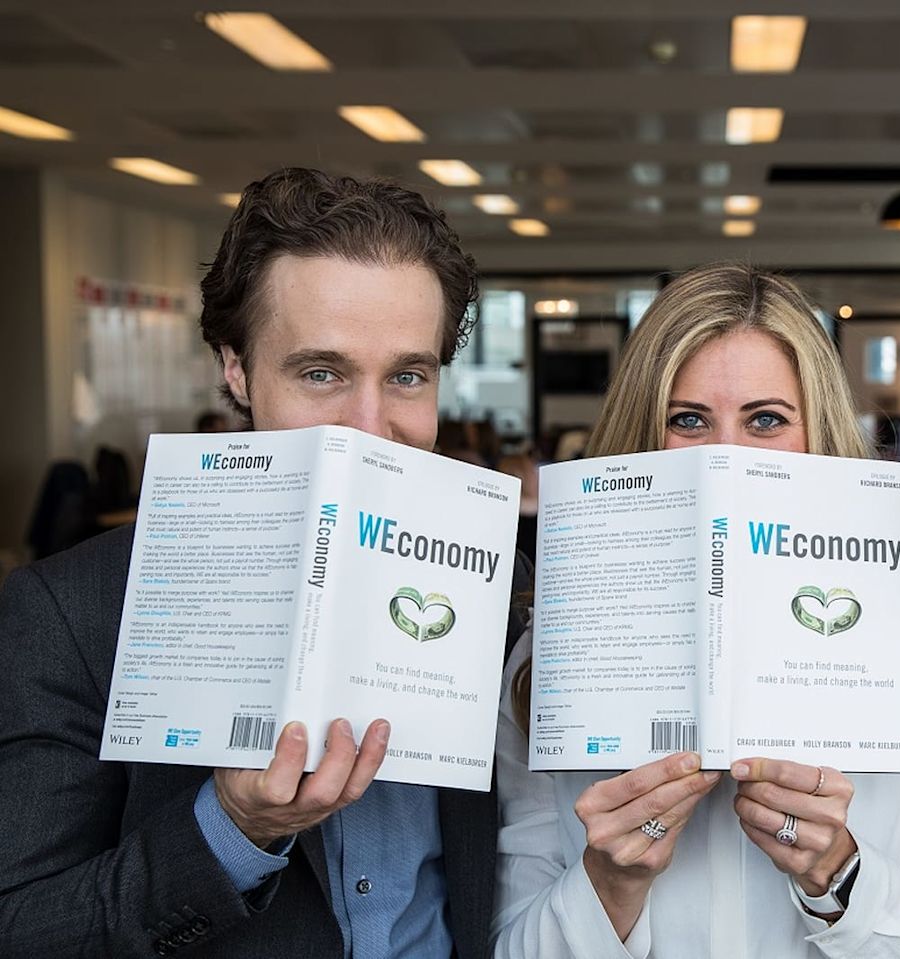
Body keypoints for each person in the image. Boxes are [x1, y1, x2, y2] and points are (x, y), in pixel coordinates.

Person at [0, 168, 533, 958]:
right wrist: (233, 829)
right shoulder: (70, 611)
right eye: (321, 372)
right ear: (237, 368)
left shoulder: (500, 595)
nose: (367, 426)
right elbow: (24, 928)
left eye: (407, 375)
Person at [491, 264, 900, 957]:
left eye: (765, 419)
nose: (725, 456)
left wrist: (838, 874)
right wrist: (607, 883)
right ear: (643, 436)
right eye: (688, 419)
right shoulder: (548, 653)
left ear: (816, 435)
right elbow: (508, 943)